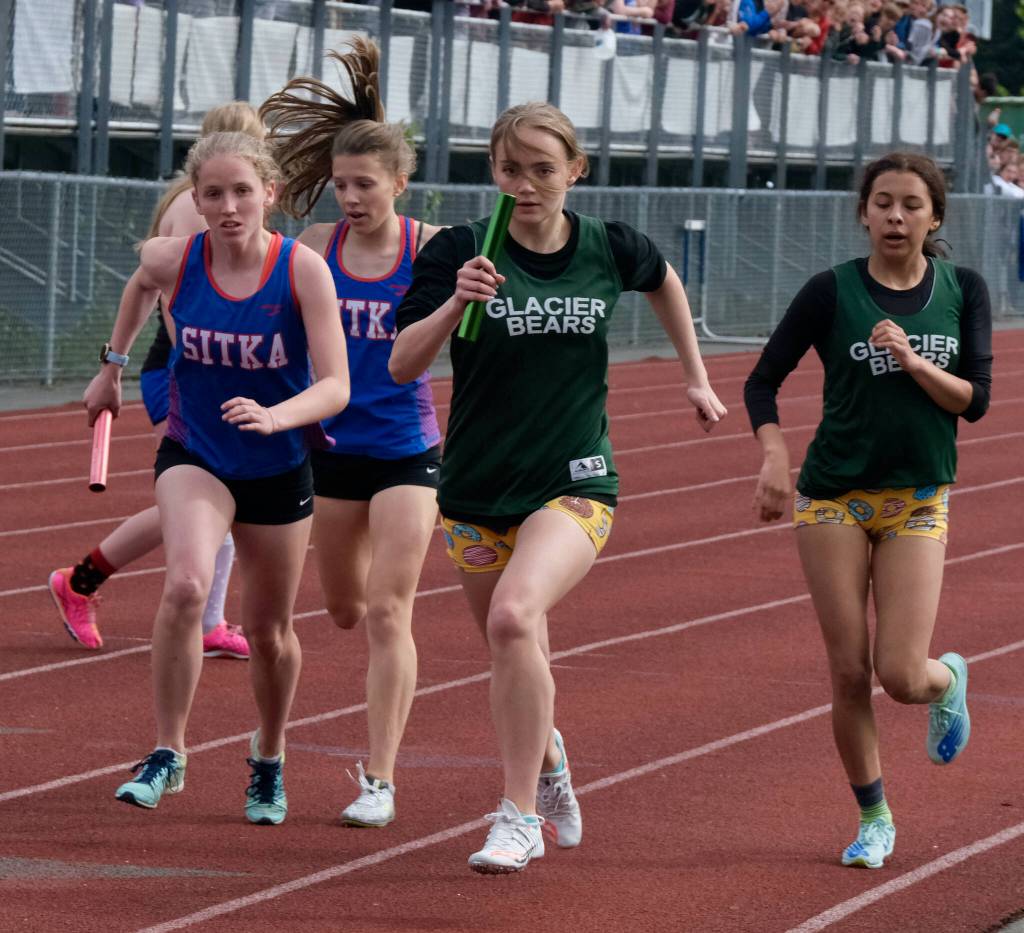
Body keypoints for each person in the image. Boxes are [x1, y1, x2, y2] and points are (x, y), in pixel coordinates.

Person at [390, 101, 727, 874]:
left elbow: (664, 280)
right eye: (511, 169)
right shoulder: (460, 250)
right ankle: (550, 761)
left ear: (575, 170)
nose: (527, 184)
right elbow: (402, 364)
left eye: (543, 169)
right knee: (515, 650)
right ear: (493, 171)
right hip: (476, 487)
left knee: (513, 616)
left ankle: (518, 816)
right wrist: (455, 302)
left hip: (575, 480)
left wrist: (696, 376)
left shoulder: (608, 245)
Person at [82, 130, 349, 823]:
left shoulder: (302, 271)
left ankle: (269, 754)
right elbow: (141, 284)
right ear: (195, 200)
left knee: (270, 632)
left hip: (276, 463)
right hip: (195, 450)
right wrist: (112, 367)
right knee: (186, 584)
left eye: (241, 191)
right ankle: (168, 750)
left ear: (270, 193)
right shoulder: (174, 258)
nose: (229, 206)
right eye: (213, 194)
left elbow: (337, 386)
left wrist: (276, 415)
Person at [744, 151, 992, 869]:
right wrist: (773, 455)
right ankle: (874, 816)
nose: (895, 216)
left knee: (902, 675)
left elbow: (975, 402)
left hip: (917, 499)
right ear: (863, 213)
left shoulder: (963, 289)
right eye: (882, 202)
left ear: (934, 217)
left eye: (912, 204)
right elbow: (763, 381)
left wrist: (913, 361)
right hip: (833, 498)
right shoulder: (832, 290)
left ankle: (949, 679)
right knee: (850, 673)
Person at [258, 38, 443, 828]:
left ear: (399, 182)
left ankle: (380, 778)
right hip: (330, 452)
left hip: (407, 448)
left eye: (365, 183)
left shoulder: (429, 247)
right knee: (341, 609)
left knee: (390, 610)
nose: (351, 196)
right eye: (340, 184)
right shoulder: (314, 250)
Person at [48, 103, 269, 661]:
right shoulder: (200, 210)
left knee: (213, 504)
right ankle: (88, 582)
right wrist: (120, 367)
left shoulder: (208, 202)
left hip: (197, 366)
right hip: (186, 369)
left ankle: (93, 584)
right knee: (209, 501)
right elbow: (170, 295)